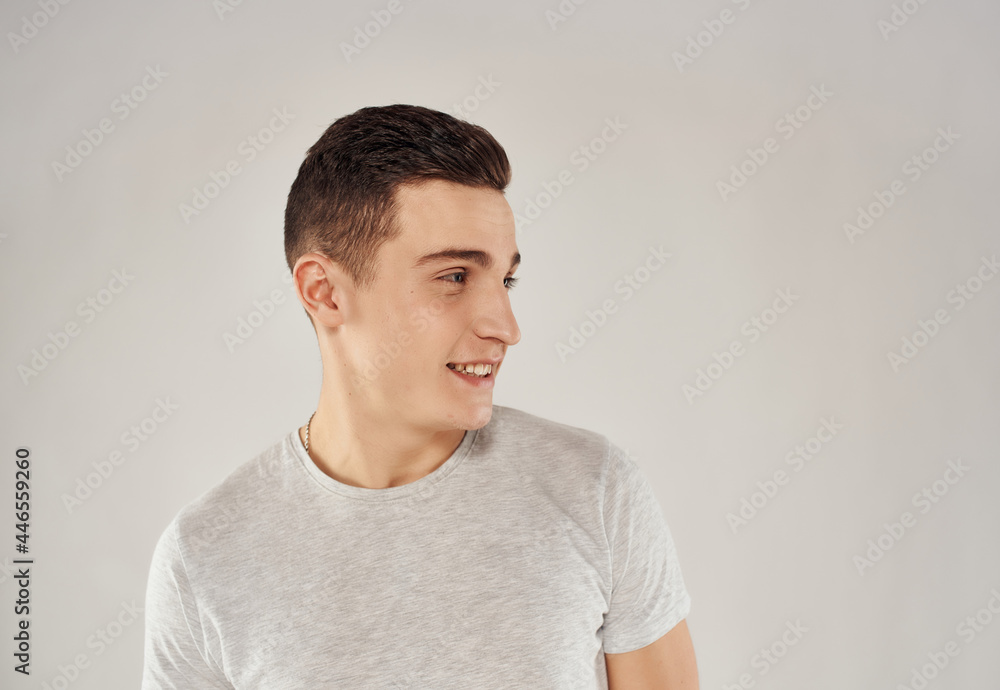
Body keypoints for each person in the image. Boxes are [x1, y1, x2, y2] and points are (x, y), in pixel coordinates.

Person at [141, 104, 698, 689]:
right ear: (325, 291)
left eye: (505, 280)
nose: (506, 326)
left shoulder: (595, 490)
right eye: (455, 276)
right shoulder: (204, 557)